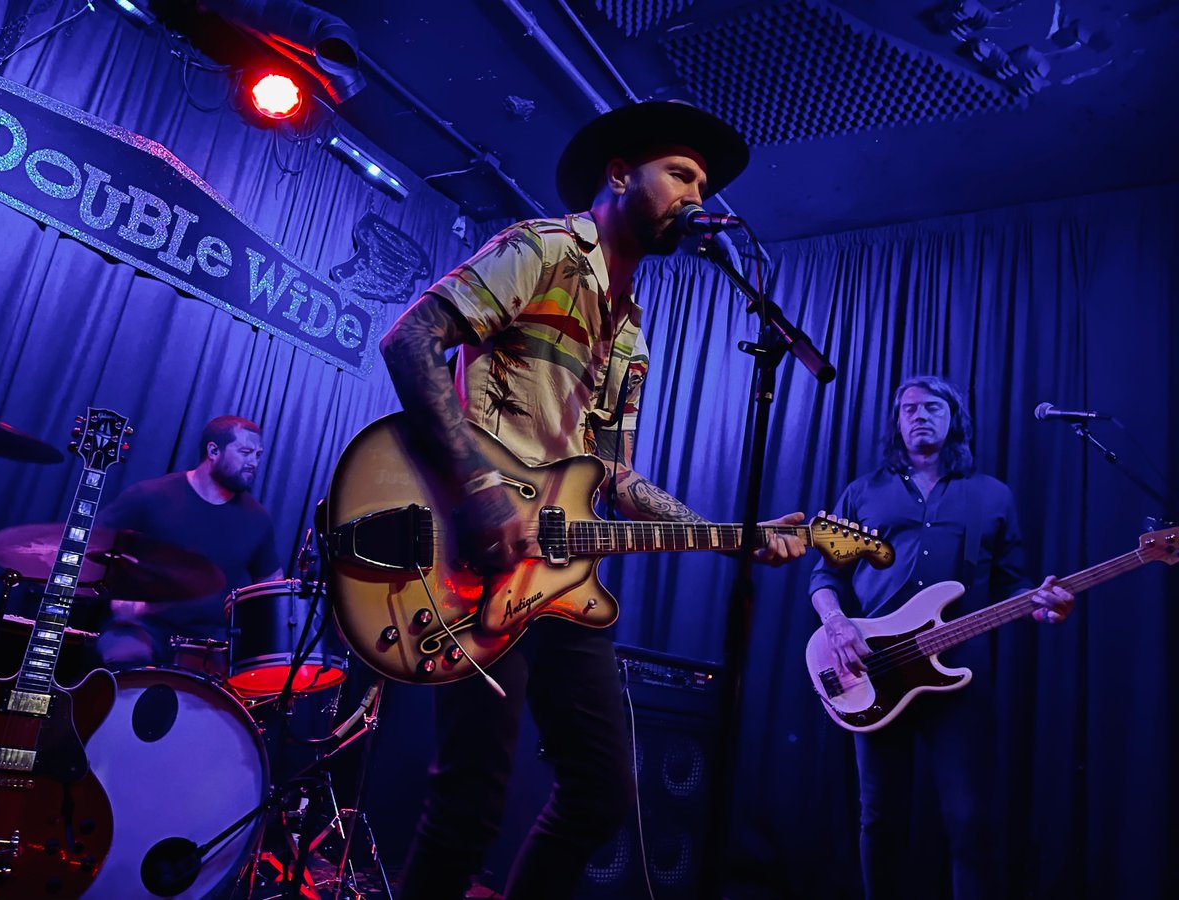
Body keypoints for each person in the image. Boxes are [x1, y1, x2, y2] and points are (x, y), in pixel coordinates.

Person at [380, 101, 808, 899]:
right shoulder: (541, 248)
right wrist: (478, 488)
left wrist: (730, 534)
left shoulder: (633, 332)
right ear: (620, 175)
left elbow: (617, 476)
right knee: (468, 804)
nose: (696, 193)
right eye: (681, 173)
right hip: (479, 556)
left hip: (560, 577)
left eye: (702, 182)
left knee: (602, 795)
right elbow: (408, 341)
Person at [808, 375, 1075, 900]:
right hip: (875, 668)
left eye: (932, 407)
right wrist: (836, 624)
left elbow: (1014, 587)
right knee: (879, 817)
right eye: (907, 409)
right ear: (896, 422)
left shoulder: (992, 495)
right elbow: (825, 576)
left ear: (954, 418)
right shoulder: (864, 492)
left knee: (971, 821)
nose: (919, 416)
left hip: (961, 672)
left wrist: (1044, 610)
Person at [95, 414, 283, 669]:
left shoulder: (257, 519)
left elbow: (271, 587)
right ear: (213, 450)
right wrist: (116, 595)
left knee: (233, 680)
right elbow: (94, 548)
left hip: (210, 640)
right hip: (142, 627)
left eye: (258, 455)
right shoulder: (150, 496)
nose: (253, 463)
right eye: (246, 452)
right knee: (126, 657)